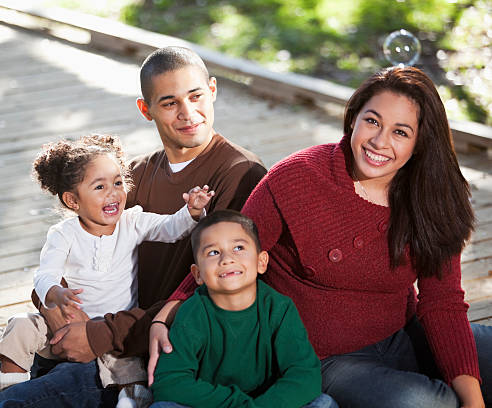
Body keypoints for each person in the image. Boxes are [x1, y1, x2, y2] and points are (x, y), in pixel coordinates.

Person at [0, 46, 266, 408]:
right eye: (169, 102)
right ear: (146, 110)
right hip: (81, 328)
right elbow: (76, 245)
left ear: (213, 91)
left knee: (9, 402)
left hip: (138, 355)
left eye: (196, 96)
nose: (187, 112)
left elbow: (219, 296)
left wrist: (101, 335)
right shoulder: (135, 173)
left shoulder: (239, 175)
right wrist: (53, 303)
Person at [163, 66, 492, 408]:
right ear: (353, 119)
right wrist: (169, 311)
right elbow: (230, 249)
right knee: (429, 403)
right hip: (320, 358)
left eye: (401, 132)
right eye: (373, 121)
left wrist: (474, 399)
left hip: (402, 334)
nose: (380, 141)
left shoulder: (433, 195)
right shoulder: (297, 177)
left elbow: (442, 302)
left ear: (421, 141)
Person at [0, 134, 214, 408]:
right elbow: (44, 273)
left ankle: (132, 394)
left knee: (128, 353)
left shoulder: (132, 222)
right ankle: (8, 381)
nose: (113, 193)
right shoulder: (63, 234)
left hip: (109, 325)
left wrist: (191, 211)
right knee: (21, 324)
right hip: (62, 328)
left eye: (118, 183)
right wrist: (55, 292)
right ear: (73, 201)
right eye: (100, 186)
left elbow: (171, 229)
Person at [150, 210, 337, 408]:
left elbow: (305, 375)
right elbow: (169, 383)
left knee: (324, 403)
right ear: (198, 275)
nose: (227, 259)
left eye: (238, 247)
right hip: (211, 403)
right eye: (213, 252)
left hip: (268, 403)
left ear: (261, 262)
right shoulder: (192, 313)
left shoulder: (279, 309)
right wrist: (239, 404)